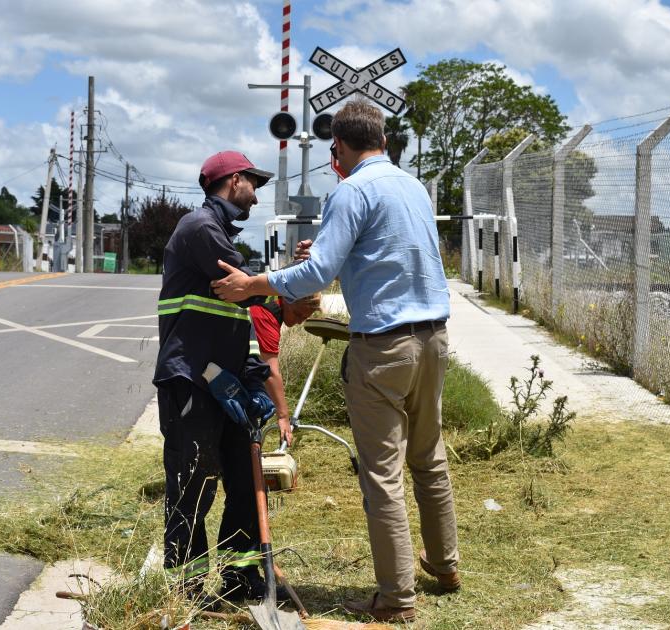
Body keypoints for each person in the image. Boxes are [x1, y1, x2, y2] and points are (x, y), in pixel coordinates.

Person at [211, 100, 460, 624]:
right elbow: (391, 254)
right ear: (385, 142)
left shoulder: (351, 190)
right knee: (429, 457)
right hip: (434, 338)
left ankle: (396, 599)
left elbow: (316, 275)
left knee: (383, 473)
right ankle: (444, 566)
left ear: (338, 148)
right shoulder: (413, 187)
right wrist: (326, 251)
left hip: (385, 346)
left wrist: (252, 284)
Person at [153, 150, 289, 605]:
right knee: (193, 487)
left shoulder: (218, 234)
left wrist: (252, 378)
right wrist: (288, 297)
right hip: (191, 382)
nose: (257, 190)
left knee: (245, 486)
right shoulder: (200, 229)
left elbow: (239, 317)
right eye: (254, 181)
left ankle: (240, 580)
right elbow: (248, 287)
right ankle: (188, 591)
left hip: (225, 386)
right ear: (233, 181)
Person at [250, 293, 322, 445]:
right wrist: (283, 416)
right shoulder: (265, 314)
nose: (299, 321)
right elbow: (270, 371)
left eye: (305, 318)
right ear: (287, 299)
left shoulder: (273, 299)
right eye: (298, 314)